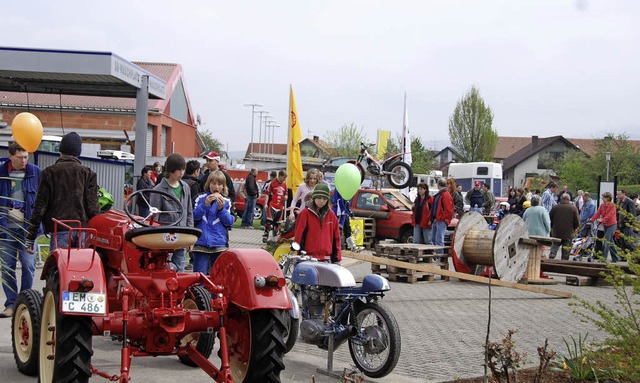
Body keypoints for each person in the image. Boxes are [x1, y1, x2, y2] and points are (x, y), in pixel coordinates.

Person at [26, 132, 99, 253]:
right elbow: (93, 208)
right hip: (82, 230)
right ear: (78, 153)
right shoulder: (88, 174)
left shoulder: (49, 173)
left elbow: (40, 206)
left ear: (60, 150)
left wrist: (31, 237)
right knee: (80, 267)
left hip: (59, 228)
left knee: (58, 268)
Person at [0, 143, 41, 318]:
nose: (24, 160)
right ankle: (11, 303)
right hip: (5, 230)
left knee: (28, 265)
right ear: (10, 156)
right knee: (7, 267)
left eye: (26, 156)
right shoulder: (1, 172)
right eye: (20, 157)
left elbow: (42, 200)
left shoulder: (35, 172)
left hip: (27, 230)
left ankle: (24, 302)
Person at [150, 153, 194, 271]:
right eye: (178, 170)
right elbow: (154, 217)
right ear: (170, 170)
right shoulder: (158, 190)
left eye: (183, 169)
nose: (181, 173)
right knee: (164, 269)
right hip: (165, 238)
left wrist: (190, 236)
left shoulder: (185, 187)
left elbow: (189, 212)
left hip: (182, 235)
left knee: (180, 269)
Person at [192, 171, 235, 274]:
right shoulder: (199, 198)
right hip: (201, 243)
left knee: (218, 276)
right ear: (208, 184)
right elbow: (192, 217)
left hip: (219, 244)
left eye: (219, 184)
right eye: (213, 183)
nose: (216, 186)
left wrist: (221, 210)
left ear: (223, 186)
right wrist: (204, 205)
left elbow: (229, 222)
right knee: (199, 276)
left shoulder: (227, 201)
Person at [294, 183, 342, 263]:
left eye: (324, 198)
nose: (321, 201)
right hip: (307, 258)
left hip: (326, 259)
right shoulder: (305, 213)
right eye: (319, 198)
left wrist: (337, 259)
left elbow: (336, 238)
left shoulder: (331, 215)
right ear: (314, 197)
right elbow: (299, 234)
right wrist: (299, 253)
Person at [549, 193, 580, 260]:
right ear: (569, 200)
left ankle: (551, 257)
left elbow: (550, 218)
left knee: (554, 246)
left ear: (561, 199)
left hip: (557, 232)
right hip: (568, 233)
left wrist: (552, 227)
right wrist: (574, 228)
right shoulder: (573, 208)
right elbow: (577, 221)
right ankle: (564, 263)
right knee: (566, 251)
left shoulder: (555, 207)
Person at [590, 192, 619, 262]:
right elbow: (598, 213)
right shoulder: (602, 205)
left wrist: (602, 220)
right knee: (610, 241)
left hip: (612, 224)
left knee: (606, 241)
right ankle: (615, 257)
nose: (602, 198)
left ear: (608, 198)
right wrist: (592, 219)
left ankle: (603, 258)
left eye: (603, 197)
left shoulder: (612, 206)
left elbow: (609, 215)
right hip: (605, 224)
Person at [430, 179, 454, 255]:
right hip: (437, 219)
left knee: (439, 240)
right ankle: (436, 256)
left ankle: (439, 257)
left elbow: (448, 210)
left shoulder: (444, 194)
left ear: (438, 184)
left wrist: (442, 218)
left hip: (440, 220)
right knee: (433, 239)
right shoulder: (441, 194)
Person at [263, 170, 288, 243]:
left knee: (278, 223)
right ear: (279, 176)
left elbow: (286, 194)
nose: (284, 179)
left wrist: (286, 196)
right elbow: (267, 194)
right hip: (272, 205)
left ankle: (275, 237)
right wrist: (265, 204)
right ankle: (266, 234)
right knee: (269, 221)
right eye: (284, 177)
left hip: (280, 207)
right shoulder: (272, 183)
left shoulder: (284, 185)